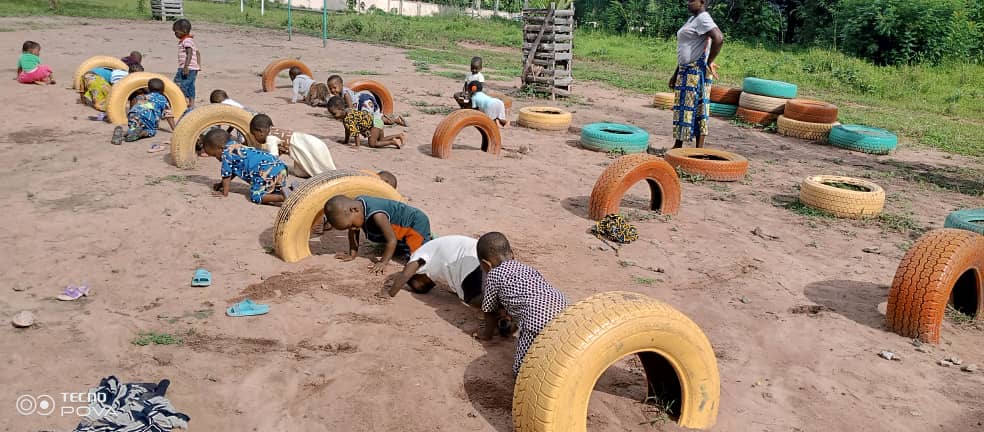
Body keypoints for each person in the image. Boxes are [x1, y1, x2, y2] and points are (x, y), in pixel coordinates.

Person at [474, 232, 569, 376]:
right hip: (563, 306)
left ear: (486, 265)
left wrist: (486, 335)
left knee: (522, 370)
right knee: (559, 344)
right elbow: (526, 299)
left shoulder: (493, 276)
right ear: (512, 254)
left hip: (536, 318)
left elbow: (489, 311)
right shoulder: (527, 268)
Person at [322, 195, 432, 274]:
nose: (352, 229)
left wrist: (383, 262)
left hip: (415, 224)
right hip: (398, 231)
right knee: (396, 249)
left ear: (354, 210)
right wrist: (352, 254)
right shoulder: (358, 207)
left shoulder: (377, 215)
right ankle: (406, 244)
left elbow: (391, 240)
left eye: (351, 225)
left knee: (415, 260)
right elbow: (353, 233)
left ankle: (430, 242)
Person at [669, 0, 724, 149]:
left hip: (695, 71)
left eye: (692, 0)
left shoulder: (703, 18)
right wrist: (676, 73)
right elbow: (687, 48)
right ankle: (678, 146)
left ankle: (698, 151)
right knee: (682, 109)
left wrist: (708, 61)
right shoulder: (693, 19)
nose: (688, 3)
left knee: (698, 108)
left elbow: (718, 38)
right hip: (685, 70)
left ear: (702, 2)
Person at [383, 235, 482, 307]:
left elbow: (405, 274)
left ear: (416, 274)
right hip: (479, 250)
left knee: (474, 300)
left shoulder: (417, 257)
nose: (426, 285)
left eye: (420, 285)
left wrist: (389, 293)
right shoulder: (436, 264)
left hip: (469, 260)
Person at [201, 128, 289, 205]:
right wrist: (220, 185)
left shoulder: (226, 154)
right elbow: (234, 170)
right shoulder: (236, 145)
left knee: (256, 196)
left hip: (265, 170)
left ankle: (282, 198)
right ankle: (288, 191)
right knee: (273, 189)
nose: (217, 158)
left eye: (215, 155)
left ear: (220, 148)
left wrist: (224, 193)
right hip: (280, 167)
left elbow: (226, 176)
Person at [248, 113, 337, 178]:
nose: (255, 139)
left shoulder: (270, 138)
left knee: (321, 168)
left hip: (307, 146)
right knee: (300, 171)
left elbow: (273, 158)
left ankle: (334, 177)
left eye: (254, 135)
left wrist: (265, 170)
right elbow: (278, 151)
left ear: (260, 132)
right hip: (307, 143)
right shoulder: (274, 131)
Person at [111, 78, 175, 144]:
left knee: (133, 128)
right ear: (163, 90)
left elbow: (136, 104)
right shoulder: (163, 99)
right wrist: (174, 129)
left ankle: (122, 134)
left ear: (149, 89)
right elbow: (168, 115)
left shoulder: (145, 96)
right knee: (150, 131)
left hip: (133, 114)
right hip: (147, 116)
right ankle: (141, 133)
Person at [326, 75, 407, 127]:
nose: (332, 90)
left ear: (341, 85)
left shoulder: (345, 94)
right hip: (361, 104)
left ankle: (395, 120)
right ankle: (386, 121)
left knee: (371, 119)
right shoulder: (338, 95)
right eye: (330, 88)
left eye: (334, 87)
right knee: (374, 117)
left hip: (363, 102)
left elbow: (350, 109)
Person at [327, 96, 405, 149]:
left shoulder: (348, 118)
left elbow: (355, 133)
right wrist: (345, 141)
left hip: (374, 124)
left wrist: (357, 145)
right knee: (381, 139)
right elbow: (347, 130)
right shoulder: (348, 112)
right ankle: (399, 135)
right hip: (376, 120)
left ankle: (392, 142)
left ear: (341, 109)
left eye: (334, 113)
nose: (334, 116)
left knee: (372, 144)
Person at [173, 19, 201, 108]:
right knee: (190, 86)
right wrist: (198, 65)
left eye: (176, 32)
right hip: (193, 68)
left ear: (184, 31)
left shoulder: (186, 41)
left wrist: (186, 66)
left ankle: (182, 102)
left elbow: (190, 53)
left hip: (187, 68)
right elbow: (197, 52)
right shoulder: (189, 40)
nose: (175, 34)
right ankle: (191, 103)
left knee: (179, 84)